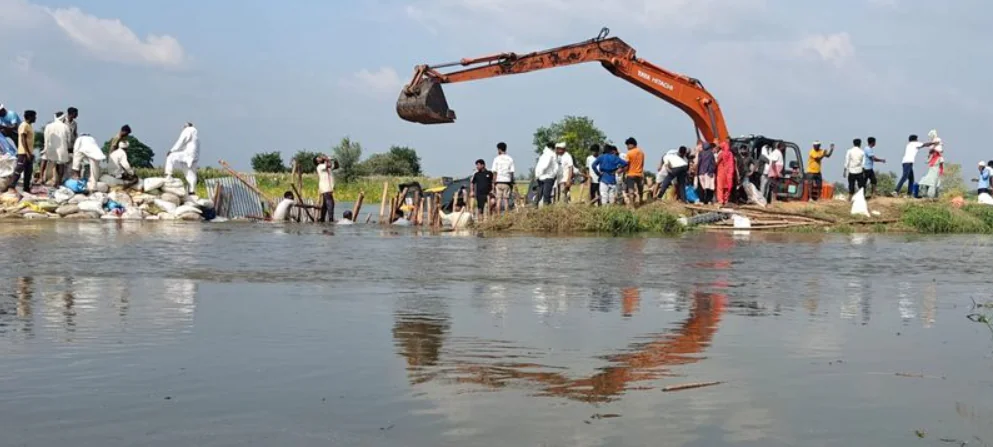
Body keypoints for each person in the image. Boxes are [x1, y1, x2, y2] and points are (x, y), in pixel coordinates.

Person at [165, 122, 200, 195]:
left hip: (187, 154)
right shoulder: (196, 137)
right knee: (191, 173)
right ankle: (192, 190)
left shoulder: (188, 130)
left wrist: (172, 150)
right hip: (194, 157)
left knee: (171, 156)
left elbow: (181, 141)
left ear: (186, 126)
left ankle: (168, 175)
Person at [6, 110, 36, 192]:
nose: (35, 118)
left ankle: (26, 188)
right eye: (34, 116)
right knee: (18, 170)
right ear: (30, 117)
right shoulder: (24, 125)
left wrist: (30, 153)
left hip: (29, 152)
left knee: (28, 172)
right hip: (23, 153)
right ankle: (11, 186)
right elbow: (23, 139)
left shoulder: (29, 126)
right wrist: (27, 152)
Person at [42, 111, 72, 186]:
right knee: (60, 165)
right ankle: (58, 182)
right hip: (62, 149)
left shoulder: (48, 126)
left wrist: (45, 148)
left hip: (50, 149)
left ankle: (41, 179)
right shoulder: (65, 127)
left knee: (45, 161)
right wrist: (68, 148)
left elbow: (45, 138)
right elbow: (69, 140)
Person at [918, 129, 944, 198]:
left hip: (936, 163)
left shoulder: (938, 143)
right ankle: (926, 194)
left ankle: (931, 195)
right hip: (932, 163)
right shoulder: (933, 145)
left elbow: (940, 150)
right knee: (928, 179)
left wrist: (933, 149)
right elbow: (931, 151)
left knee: (933, 180)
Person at [491, 142, 515, 214]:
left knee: (498, 200)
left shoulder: (496, 159)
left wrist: (493, 183)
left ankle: (498, 216)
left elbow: (495, 172)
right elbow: (512, 172)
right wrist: (512, 182)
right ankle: (506, 217)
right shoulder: (510, 159)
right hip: (507, 182)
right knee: (506, 200)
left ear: (499, 149)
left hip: (498, 181)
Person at [534, 142, 559, 206]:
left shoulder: (543, 155)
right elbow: (546, 165)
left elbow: (538, 166)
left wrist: (537, 175)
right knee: (546, 195)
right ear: (552, 147)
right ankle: (546, 210)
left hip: (541, 177)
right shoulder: (551, 154)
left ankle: (535, 207)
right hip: (548, 177)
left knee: (540, 194)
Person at [623, 137, 645, 203]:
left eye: (627, 145)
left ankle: (632, 205)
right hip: (640, 174)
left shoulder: (629, 153)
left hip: (631, 174)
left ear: (631, 144)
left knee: (631, 190)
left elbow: (627, 165)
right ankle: (641, 200)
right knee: (640, 189)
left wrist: (624, 171)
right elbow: (642, 163)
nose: (627, 147)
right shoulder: (641, 152)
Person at [315, 155, 336, 222]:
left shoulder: (326, 166)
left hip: (327, 188)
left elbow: (336, 166)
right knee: (330, 203)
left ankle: (322, 219)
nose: (321, 157)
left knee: (325, 205)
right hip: (326, 188)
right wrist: (327, 159)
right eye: (319, 158)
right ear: (317, 162)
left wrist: (335, 160)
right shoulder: (320, 166)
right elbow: (329, 165)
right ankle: (331, 219)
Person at [715, 140, 735, 206]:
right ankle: (726, 200)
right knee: (727, 187)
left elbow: (717, 162)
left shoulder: (721, 154)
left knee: (720, 187)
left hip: (721, 172)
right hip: (729, 173)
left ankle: (720, 201)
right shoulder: (731, 154)